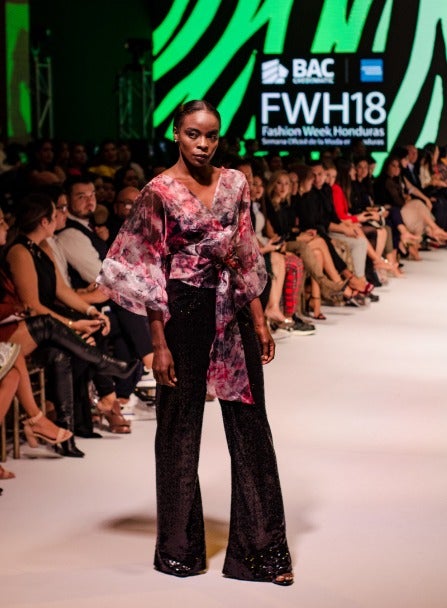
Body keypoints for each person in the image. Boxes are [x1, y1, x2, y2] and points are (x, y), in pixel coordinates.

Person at [98, 100, 293, 585]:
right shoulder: (159, 191)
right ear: (176, 134)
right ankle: (179, 551)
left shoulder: (236, 183)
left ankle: (263, 553)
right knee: (178, 428)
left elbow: (245, 254)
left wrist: (260, 319)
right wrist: (157, 342)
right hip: (182, 311)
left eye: (210, 135)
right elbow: (146, 267)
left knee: (251, 424)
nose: (203, 144)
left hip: (233, 308)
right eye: (192, 134)